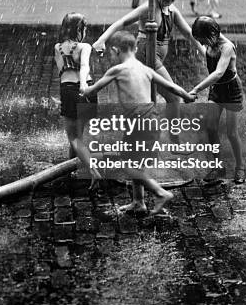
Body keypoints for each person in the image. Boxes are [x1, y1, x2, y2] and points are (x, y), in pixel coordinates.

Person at [82, 31, 196, 214]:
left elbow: (92, 90)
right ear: (135, 48)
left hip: (139, 122)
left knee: (127, 165)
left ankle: (160, 193)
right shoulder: (146, 70)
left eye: (112, 53)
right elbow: (172, 87)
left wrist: (83, 86)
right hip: (151, 120)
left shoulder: (117, 70)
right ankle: (138, 202)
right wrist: (187, 96)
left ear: (115, 50)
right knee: (137, 163)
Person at [93, 0, 204, 105]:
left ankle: (148, 122)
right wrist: (101, 40)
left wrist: (204, 52)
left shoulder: (172, 10)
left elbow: (189, 33)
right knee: (174, 98)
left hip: (157, 56)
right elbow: (122, 22)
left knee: (149, 97)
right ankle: (173, 125)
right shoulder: (149, 8)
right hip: (147, 54)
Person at [190, 16, 245, 184]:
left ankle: (240, 167)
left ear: (213, 34)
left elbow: (219, 73)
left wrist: (196, 89)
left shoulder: (227, 47)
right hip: (216, 91)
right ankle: (218, 167)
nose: (204, 45)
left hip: (231, 90)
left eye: (204, 40)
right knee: (211, 128)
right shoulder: (211, 43)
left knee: (231, 132)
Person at [54, 13, 101, 189]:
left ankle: (93, 171)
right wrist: (82, 85)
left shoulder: (57, 47)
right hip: (87, 89)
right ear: (79, 29)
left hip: (68, 90)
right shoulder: (85, 46)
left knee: (74, 137)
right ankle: (70, 168)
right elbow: (84, 67)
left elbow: (62, 72)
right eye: (84, 28)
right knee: (79, 136)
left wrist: (67, 96)